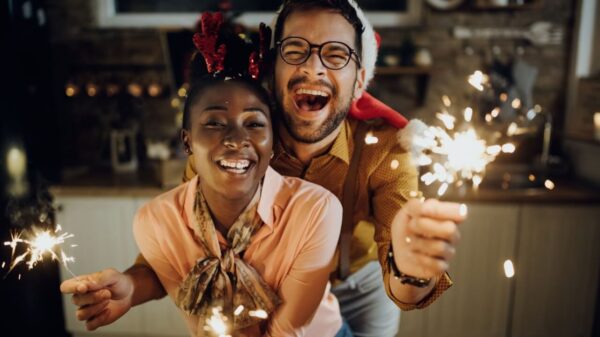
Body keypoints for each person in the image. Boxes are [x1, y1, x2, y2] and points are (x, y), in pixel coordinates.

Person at [61, 1, 467, 336]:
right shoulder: (239, 141)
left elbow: (406, 280)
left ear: (360, 80)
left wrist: (411, 270)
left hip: (362, 284)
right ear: (274, 70)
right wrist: (131, 288)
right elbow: (182, 245)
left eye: (336, 53)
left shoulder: (387, 149)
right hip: (273, 294)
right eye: (295, 50)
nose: (314, 68)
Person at [62, 13, 350, 337]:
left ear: (273, 143)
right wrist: (129, 288)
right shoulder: (157, 221)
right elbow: (166, 273)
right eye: (214, 123)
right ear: (187, 140)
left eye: (254, 124)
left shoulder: (316, 210)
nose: (236, 139)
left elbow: (288, 329)